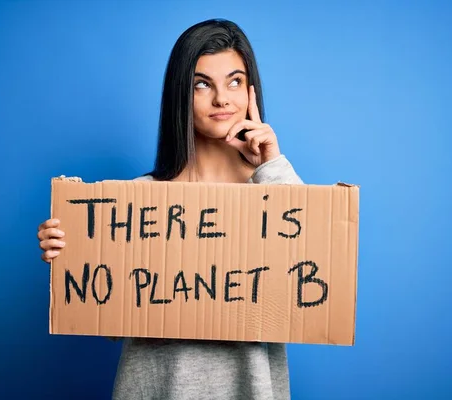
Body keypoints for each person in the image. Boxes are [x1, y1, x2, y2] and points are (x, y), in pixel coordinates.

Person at [37, 18, 304, 400]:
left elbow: (305, 284)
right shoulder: (137, 201)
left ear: (251, 92)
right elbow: (112, 320)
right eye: (201, 84)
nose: (221, 99)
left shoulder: (275, 190)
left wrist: (271, 164)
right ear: (181, 94)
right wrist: (70, 254)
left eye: (234, 82)